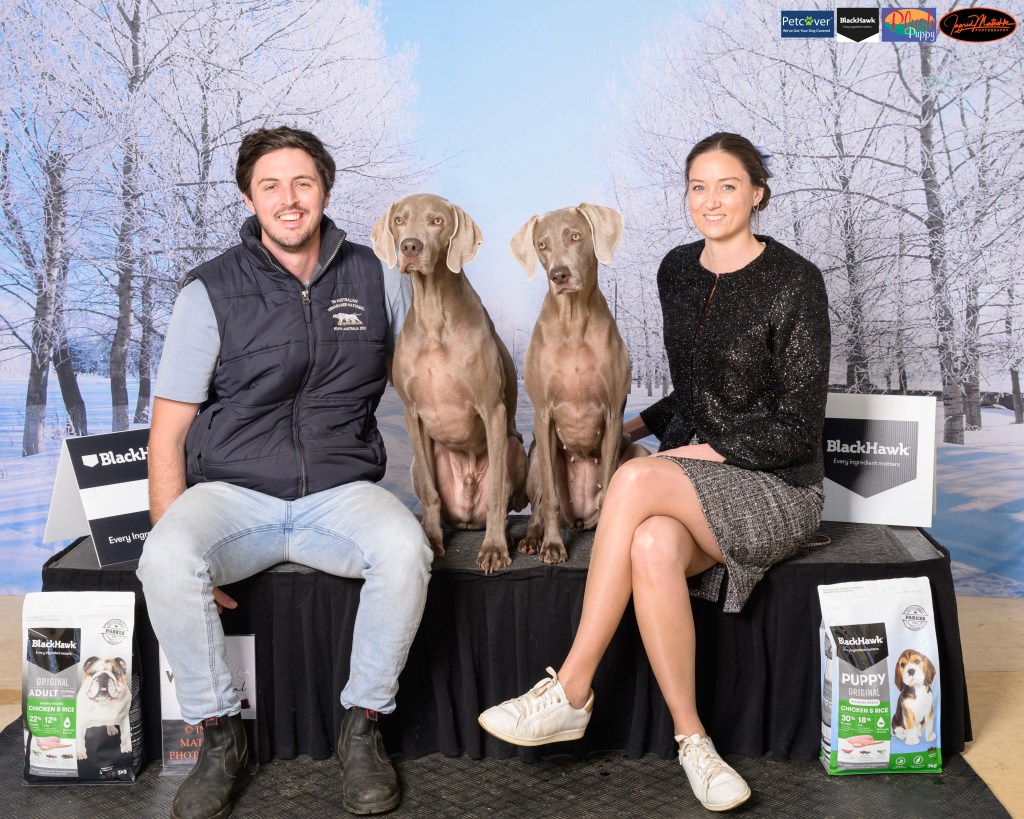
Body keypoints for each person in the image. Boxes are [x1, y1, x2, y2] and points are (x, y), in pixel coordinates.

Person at [478, 132, 830, 812]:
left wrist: (707, 450)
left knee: (634, 479)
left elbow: (797, 425)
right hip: (703, 480)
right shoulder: (676, 271)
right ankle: (693, 740)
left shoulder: (795, 281)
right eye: (698, 186)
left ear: (758, 192)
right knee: (650, 542)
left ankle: (571, 688)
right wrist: (629, 425)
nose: (712, 199)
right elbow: (698, 396)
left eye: (728, 184)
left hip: (781, 484)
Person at [138, 126, 432, 819]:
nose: (288, 199)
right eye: (270, 185)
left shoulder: (379, 276)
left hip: (342, 492)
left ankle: (362, 725)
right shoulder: (208, 291)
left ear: (325, 191)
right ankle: (218, 737)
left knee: (405, 549)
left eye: (302, 183)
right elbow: (168, 435)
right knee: (166, 557)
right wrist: (178, 546)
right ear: (248, 197)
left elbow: (431, 384)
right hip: (232, 494)